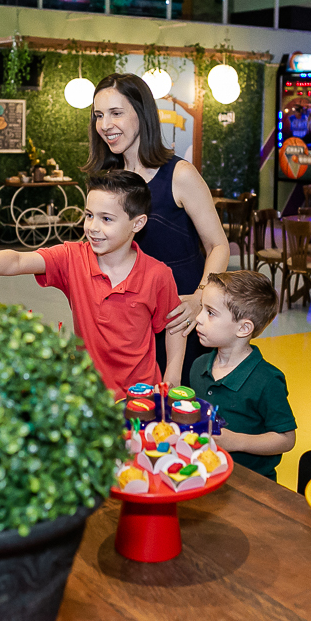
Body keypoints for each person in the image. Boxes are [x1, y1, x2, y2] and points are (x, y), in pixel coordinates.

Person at [0, 171, 184, 395]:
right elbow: (16, 261)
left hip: (142, 397)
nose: (93, 227)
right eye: (89, 215)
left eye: (106, 219)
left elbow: (175, 327)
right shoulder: (72, 258)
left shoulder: (158, 275)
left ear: (137, 223)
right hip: (88, 394)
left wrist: (171, 381)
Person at [84, 73, 230, 386]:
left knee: (176, 414)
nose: (105, 124)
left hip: (178, 319)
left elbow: (219, 245)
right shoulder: (108, 179)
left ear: (143, 113)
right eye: (99, 115)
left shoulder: (180, 174)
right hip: (128, 321)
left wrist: (200, 297)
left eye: (116, 113)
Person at [192, 270, 296, 481]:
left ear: (243, 328)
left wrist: (237, 442)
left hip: (252, 484)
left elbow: (286, 439)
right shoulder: (199, 366)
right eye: (201, 308)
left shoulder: (267, 381)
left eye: (210, 312)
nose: (198, 318)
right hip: (205, 474)